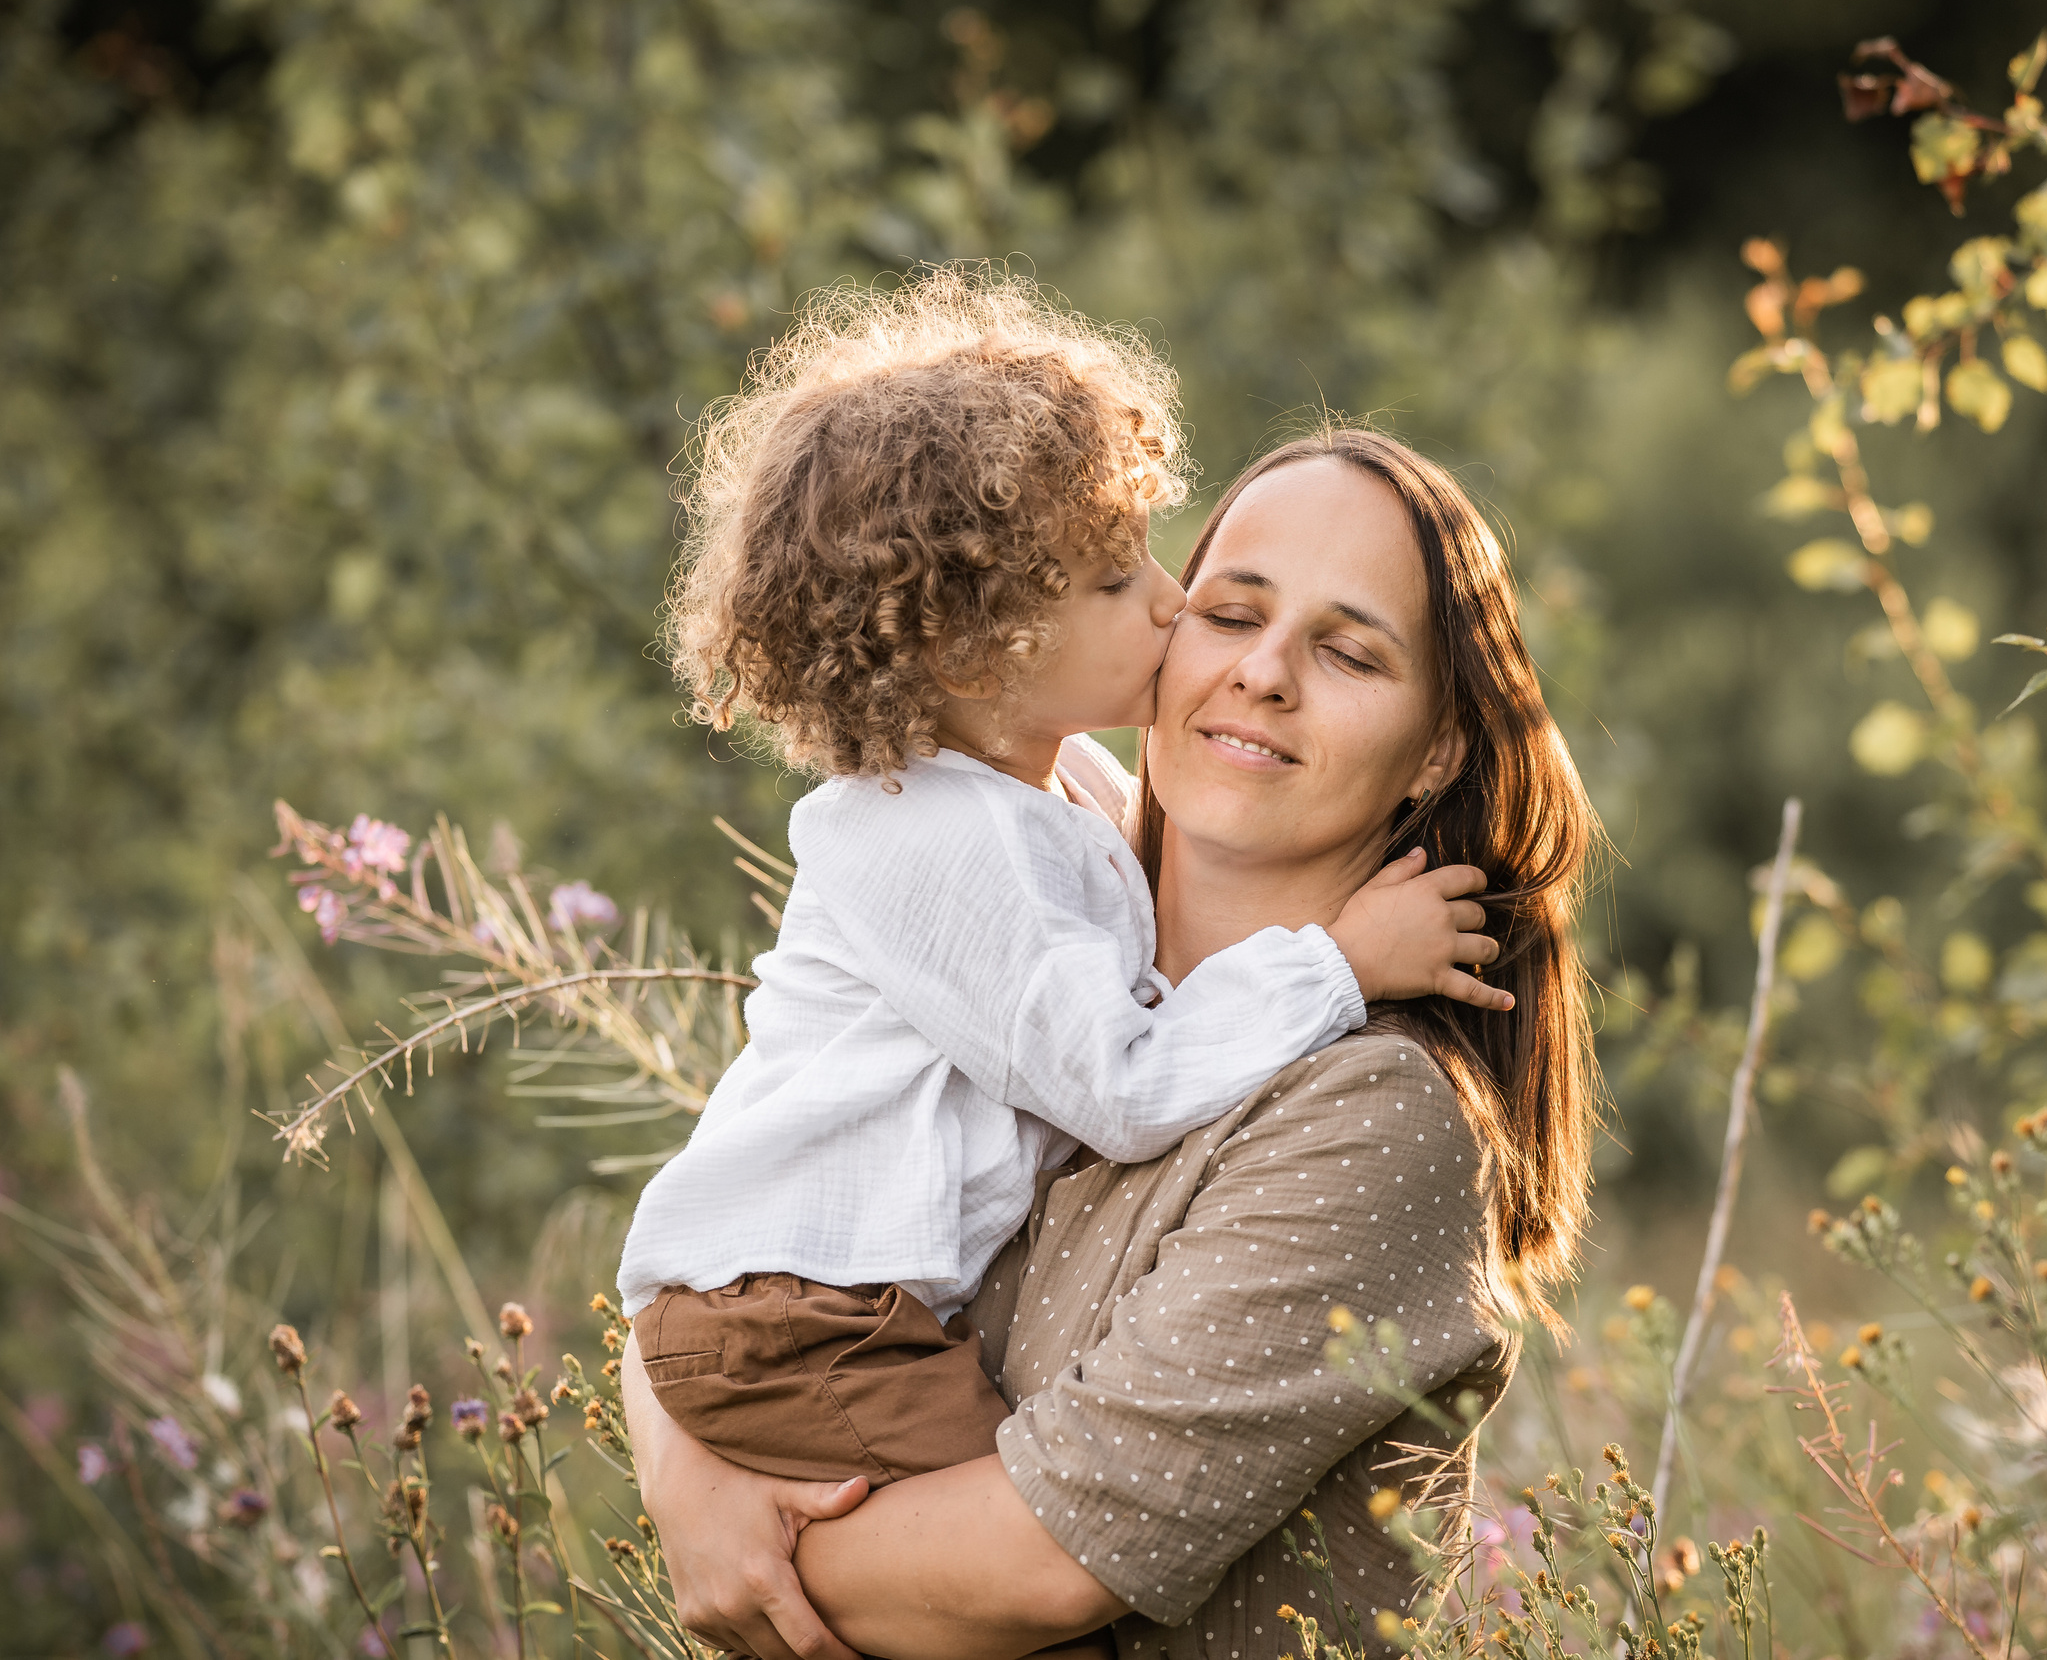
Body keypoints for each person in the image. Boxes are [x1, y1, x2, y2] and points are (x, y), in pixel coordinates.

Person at [625, 426, 1602, 1660]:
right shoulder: (1026, 914)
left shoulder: (1372, 1111)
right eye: (1229, 611)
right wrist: (681, 1472)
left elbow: (1042, 1566)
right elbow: (735, 1229)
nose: (1265, 673)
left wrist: (725, 1534)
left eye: (1349, 651)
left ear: (1440, 749)